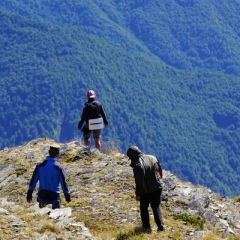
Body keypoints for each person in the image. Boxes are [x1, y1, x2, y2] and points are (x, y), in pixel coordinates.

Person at [126, 146, 164, 232]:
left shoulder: (138, 165)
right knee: (156, 206)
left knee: (144, 208)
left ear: (132, 156)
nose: (130, 160)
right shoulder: (153, 157)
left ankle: (147, 228)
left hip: (147, 190)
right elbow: (160, 171)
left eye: (130, 158)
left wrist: (138, 194)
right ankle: (160, 224)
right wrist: (159, 181)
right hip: (158, 187)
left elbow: (140, 182)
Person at [26, 144, 71, 209]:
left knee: (42, 217)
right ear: (58, 154)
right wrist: (67, 196)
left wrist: (30, 192)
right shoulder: (59, 168)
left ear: (49, 152)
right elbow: (64, 184)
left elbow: (33, 181)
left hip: (42, 197)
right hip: (54, 198)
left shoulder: (39, 166)